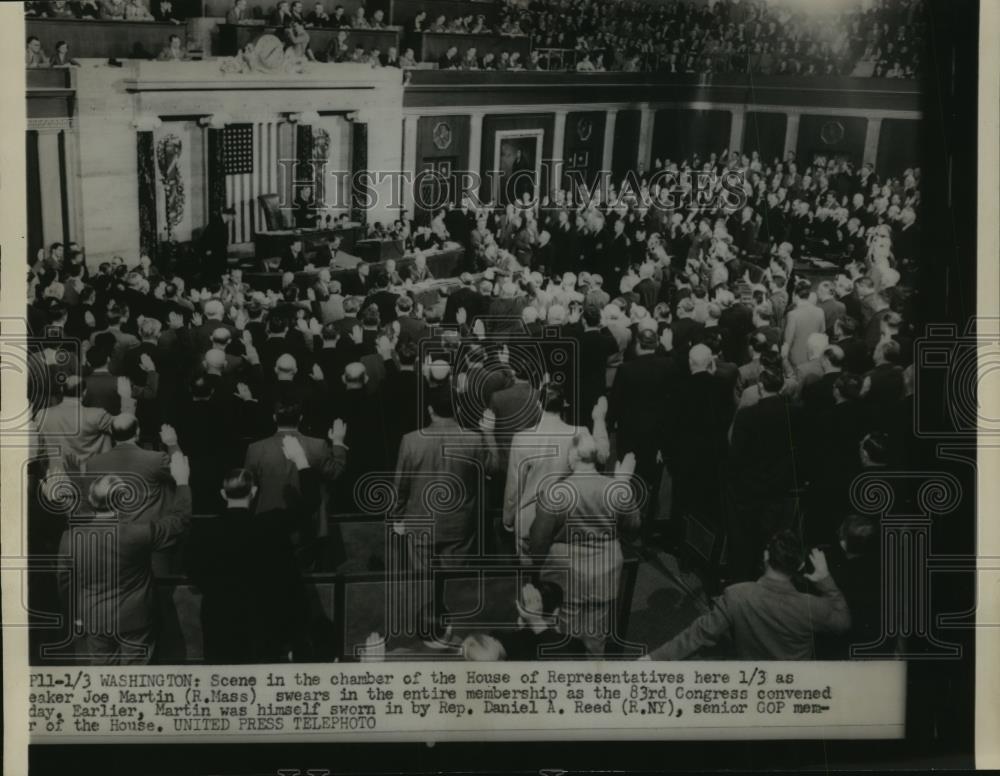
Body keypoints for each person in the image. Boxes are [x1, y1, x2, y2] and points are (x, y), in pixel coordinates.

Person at [188, 437, 319, 663]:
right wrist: (300, 461)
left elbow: (194, 575)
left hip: (220, 620)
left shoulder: (205, 532)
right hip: (263, 621)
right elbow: (310, 503)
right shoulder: (271, 523)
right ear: (254, 492)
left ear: (223, 494)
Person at [57, 451, 192, 664]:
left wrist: (77, 616)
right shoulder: (138, 534)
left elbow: (66, 585)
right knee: (135, 683)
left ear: (92, 499)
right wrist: (183, 482)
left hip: (94, 619)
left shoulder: (70, 539)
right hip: (136, 619)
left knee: (104, 684)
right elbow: (179, 522)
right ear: (123, 502)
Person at [642, 530, 850, 660]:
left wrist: (653, 658)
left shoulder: (736, 595)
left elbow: (698, 634)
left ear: (766, 557)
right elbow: (843, 622)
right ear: (801, 565)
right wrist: (826, 581)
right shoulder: (813, 606)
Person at [529, 436, 639, 657]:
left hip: (564, 574)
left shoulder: (556, 492)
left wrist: (539, 568)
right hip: (605, 572)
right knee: (596, 635)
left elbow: (538, 539)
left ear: (572, 457)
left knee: (563, 633)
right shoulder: (615, 489)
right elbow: (634, 526)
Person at [494, 581, 587, 659]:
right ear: (556, 611)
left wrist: (524, 627)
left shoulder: (502, 640)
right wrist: (537, 623)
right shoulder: (574, 645)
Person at [199, 206, 235, 284]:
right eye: (233, 216)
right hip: (213, 253)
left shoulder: (223, 223)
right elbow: (207, 236)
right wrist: (208, 249)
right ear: (229, 215)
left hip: (219, 251)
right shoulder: (216, 222)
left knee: (220, 272)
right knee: (214, 273)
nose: (233, 219)